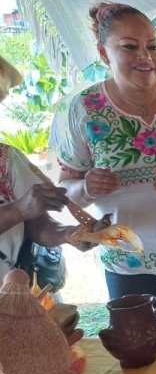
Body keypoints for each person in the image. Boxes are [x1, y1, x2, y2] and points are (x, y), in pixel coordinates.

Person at [52, 2, 156, 335]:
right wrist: (86, 186)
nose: (144, 56)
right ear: (104, 52)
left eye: (152, 47)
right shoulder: (84, 109)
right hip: (127, 258)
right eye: (129, 47)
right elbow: (65, 190)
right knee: (137, 351)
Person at [0, 55, 93, 277]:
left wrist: (68, 234)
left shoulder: (6, 158)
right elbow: (21, 211)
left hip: (14, 295)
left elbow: (37, 226)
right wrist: (17, 210)